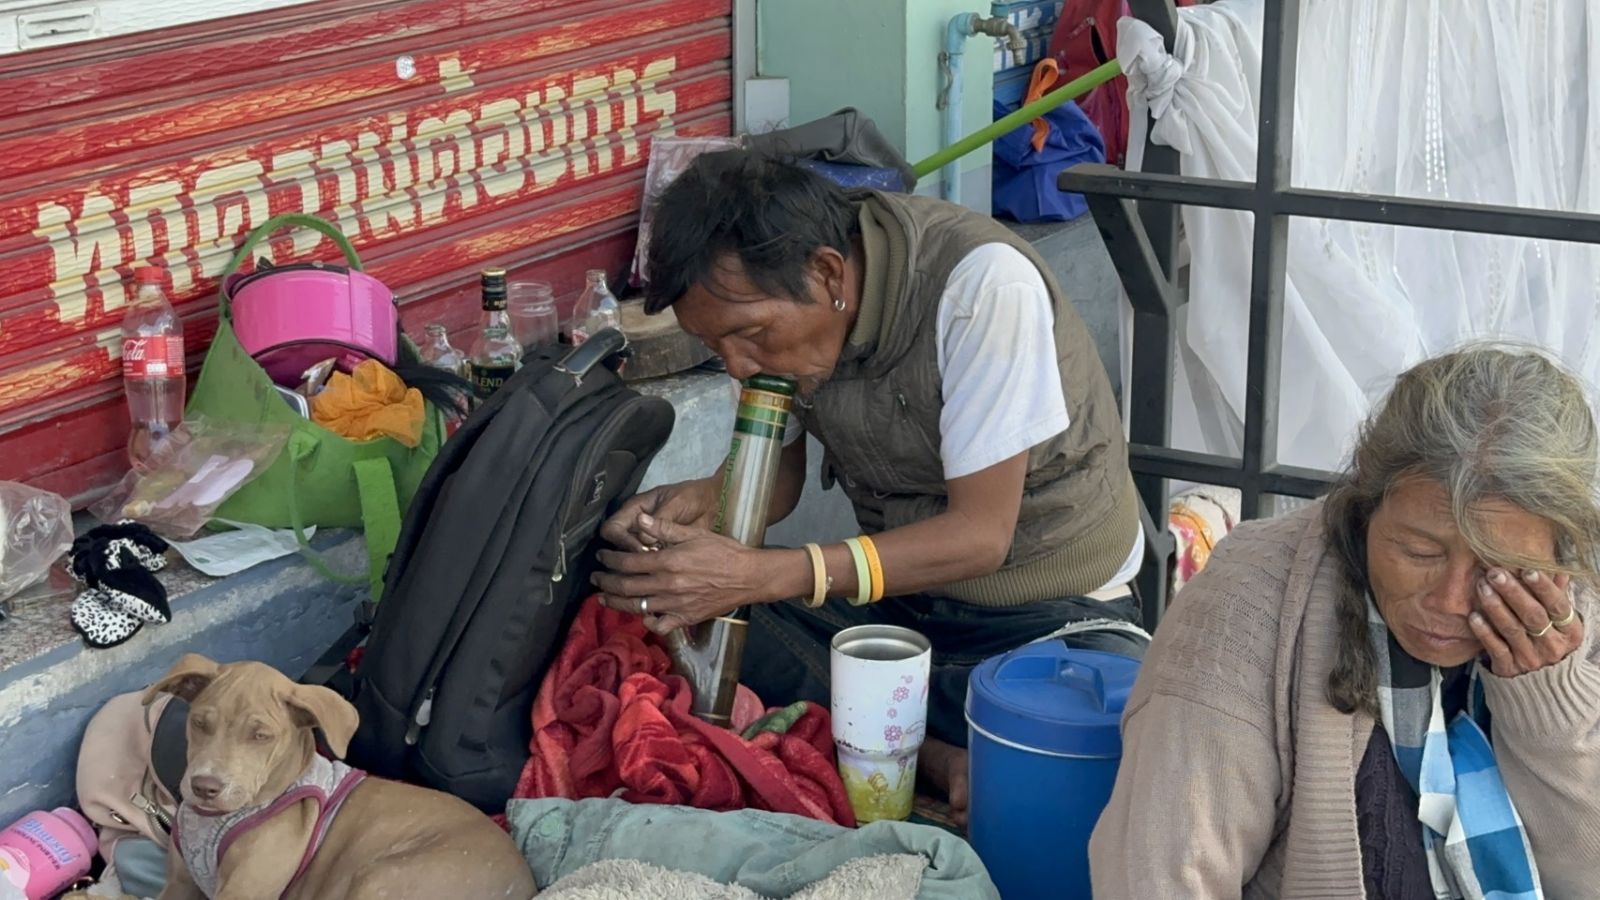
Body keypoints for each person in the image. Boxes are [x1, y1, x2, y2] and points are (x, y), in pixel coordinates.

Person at [591, 149, 1146, 820]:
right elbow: (777, 483)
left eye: (750, 334)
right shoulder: (780, 332)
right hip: (905, 605)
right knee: (679, 612)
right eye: (716, 348)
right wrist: (694, 510)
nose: (737, 365)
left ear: (828, 273)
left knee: (1083, 736)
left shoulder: (980, 286)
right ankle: (933, 752)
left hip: (1047, 617)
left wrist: (762, 575)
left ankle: (898, 734)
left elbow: (981, 538)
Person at [1090, 345, 1600, 899]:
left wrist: (1548, 703)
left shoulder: (1580, 601)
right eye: (1418, 552)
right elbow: (1164, 876)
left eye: (1496, 568)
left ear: (1561, 547)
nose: (1451, 600)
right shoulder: (1248, 606)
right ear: (1366, 506)